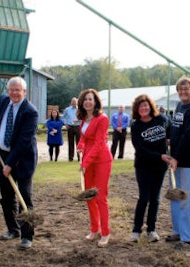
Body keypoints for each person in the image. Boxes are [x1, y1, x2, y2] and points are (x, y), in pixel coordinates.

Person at [0, 76, 38, 250]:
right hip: (3, 156)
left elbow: (24, 142)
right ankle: (13, 229)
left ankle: (27, 236)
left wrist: (10, 164)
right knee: (7, 197)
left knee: (24, 196)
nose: (15, 93)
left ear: (24, 92)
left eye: (18, 90)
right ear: (7, 91)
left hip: (22, 160)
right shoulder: (3, 101)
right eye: (12, 90)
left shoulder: (30, 111)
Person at [166, 76, 190, 250]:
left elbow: (188, 137)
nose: (183, 92)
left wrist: (176, 157)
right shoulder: (180, 106)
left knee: (185, 198)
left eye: (186, 89)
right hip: (175, 157)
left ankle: (188, 237)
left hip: (187, 159)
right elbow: (176, 130)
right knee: (175, 195)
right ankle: (178, 231)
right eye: (180, 89)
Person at [129, 94, 170, 243]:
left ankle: (151, 229)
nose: (144, 108)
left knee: (155, 198)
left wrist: (170, 141)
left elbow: (171, 133)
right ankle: (136, 230)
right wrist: (160, 156)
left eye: (146, 105)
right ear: (137, 109)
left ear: (151, 106)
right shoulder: (136, 125)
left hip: (160, 167)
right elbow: (139, 149)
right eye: (141, 107)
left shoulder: (162, 119)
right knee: (144, 197)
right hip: (143, 165)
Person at [76, 88, 113, 248]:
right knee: (89, 196)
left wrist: (86, 162)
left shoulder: (102, 119)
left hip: (101, 160)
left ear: (96, 102)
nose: (88, 102)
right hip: (88, 160)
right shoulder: (84, 118)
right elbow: (85, 137)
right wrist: (80, 145)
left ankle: (105, 233)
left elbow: (98, 143)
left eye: (90, 99)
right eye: (85, 99)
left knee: (100, 197)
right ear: (82, 103)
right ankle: (94, 229)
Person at [62, 97, 81, 162]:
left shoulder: (80, 109)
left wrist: (78, 119)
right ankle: (70, 158)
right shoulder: (67, 109)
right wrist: (65, 124)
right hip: (70, 127)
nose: (74, 103)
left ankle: (79, 157)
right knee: (70, 143)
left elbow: (84, 117)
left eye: (75, 101)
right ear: (71, 102)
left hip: (78, 127)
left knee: (79, 143)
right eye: (72, 101)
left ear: (77, 102)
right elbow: (63, 117)